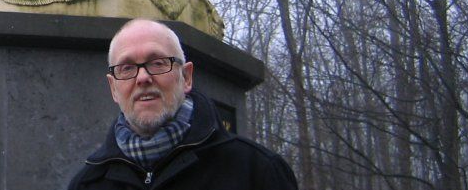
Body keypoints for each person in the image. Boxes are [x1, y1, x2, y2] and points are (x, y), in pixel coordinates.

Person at [67, 19, 298, 190]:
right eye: (126, 68)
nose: (142, 78)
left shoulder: (257, 171)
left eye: (158, 63)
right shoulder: (86, 183)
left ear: (186, 77)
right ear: (113, 88)